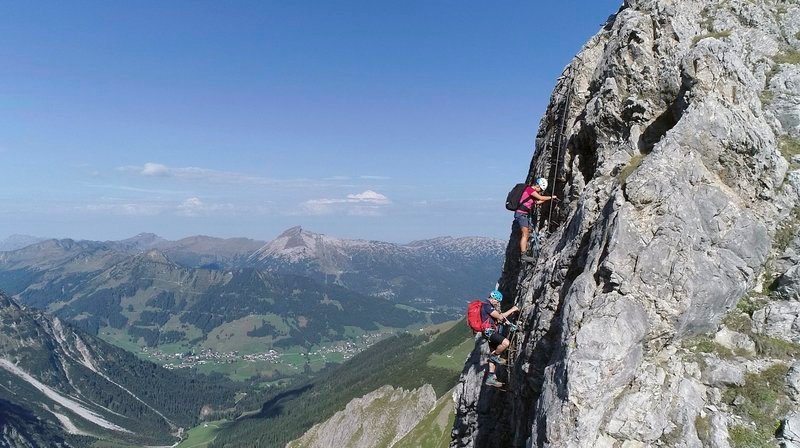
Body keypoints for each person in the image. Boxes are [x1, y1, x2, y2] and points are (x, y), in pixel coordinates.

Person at [481, 289, 519, 388]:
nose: (498, 303)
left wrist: (509, 324)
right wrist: (513, 309)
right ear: (493, 299)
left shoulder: (488, 306)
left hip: (489, 333)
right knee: (506, 343)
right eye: (497, 301)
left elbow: (499, 319)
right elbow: (500, 317)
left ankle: (490, 378)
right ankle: (494, 356)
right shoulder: (487, 306)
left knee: (493, 354)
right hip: (490, 333)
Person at [514, 177, 557, 261]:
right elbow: (540, 198)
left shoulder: (530, 192)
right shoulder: (530, 190)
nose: (539, 191)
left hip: (522, 214)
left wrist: (547, 199)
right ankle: (523, 254)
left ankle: (525, 251)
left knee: (528, 232)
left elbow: (537, 202)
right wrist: (551, 197)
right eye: (540, 189)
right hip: (521, 214)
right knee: (525, 234)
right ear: (538, 185)